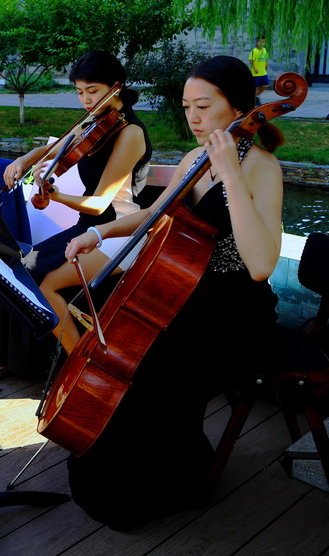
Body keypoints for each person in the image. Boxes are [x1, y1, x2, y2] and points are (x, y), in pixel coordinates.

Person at [52, 55, 283, 529]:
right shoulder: (194, 159)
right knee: (128, 358)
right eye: (186, 106)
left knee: (147, 376)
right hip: (185, 291)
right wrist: (99, 233)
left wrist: (231, 174)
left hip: (234, 311)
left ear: (239, 108)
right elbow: (157, 211)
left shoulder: (262, 169)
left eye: (204, 106)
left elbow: (261, 266)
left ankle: (167, 480)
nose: (193, 117)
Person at [0, 50, 151, 379]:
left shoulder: (130, 132)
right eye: (80, 92)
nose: (86, 100)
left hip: (118, 232)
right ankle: (20, 360)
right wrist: (23, 160)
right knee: (19, 268)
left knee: (44, 282)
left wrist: (57, 196)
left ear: (116, 87)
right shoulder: (94, 121)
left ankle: (78, 362)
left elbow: (100, 203)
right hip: (88, 225)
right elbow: (52, 149)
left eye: (92, 91)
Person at [248, 35, 269, 102]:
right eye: (260, 42)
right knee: (256, 87)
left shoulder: (265, 50)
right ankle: (254, 100)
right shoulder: (254, 51)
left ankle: (255, 96)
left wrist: (266, 66)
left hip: (263, 72)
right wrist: (254, 69)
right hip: (255, 73)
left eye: (263, 42)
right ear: (257, 42)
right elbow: (251, 61)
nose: (261, 44)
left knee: (265, 85)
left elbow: (266, 59)